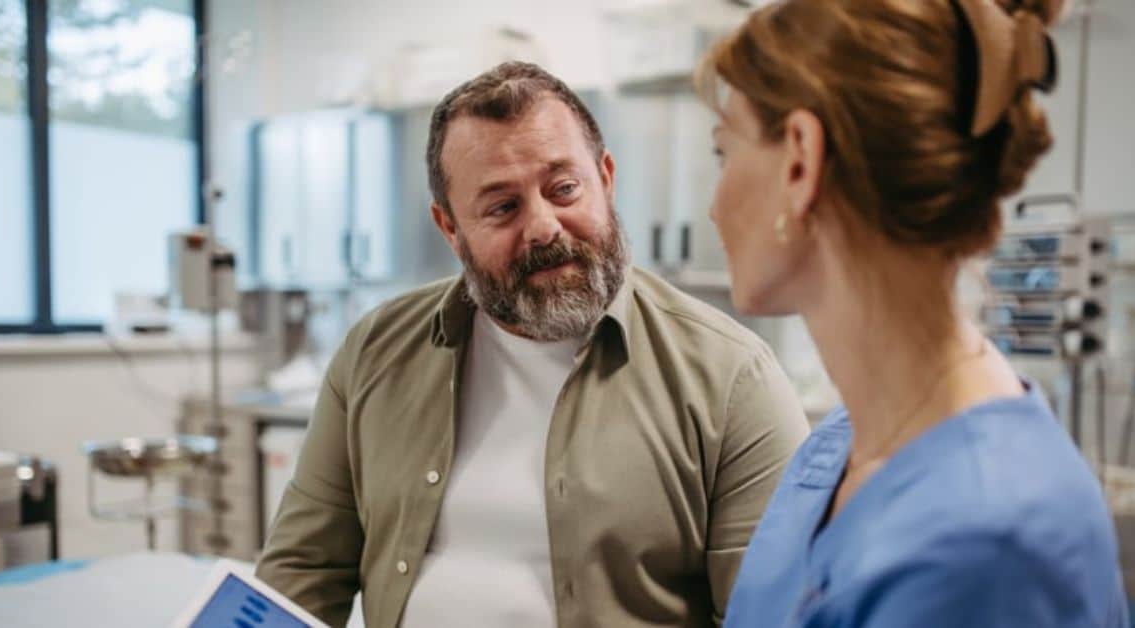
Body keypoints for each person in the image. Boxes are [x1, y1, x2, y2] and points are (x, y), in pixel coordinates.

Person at [255, 61, 810, 628]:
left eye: (563, 188)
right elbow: (301, 575)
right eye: (502, 207)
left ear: (606, 178)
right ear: (450, 229)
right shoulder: (375, 352)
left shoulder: (732, 378)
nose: (544, 226)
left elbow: (769, 617)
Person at [696, 0, 1128, 626]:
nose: (714, 207)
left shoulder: (990, 544)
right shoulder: (837, 449)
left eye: (723, 153)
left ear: (800, 160)